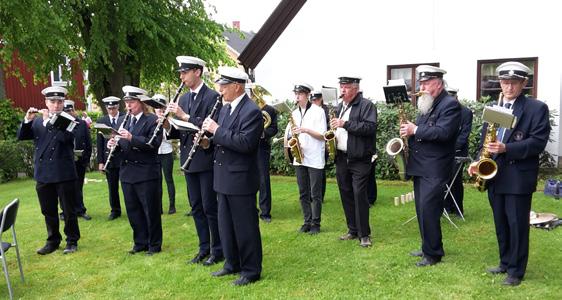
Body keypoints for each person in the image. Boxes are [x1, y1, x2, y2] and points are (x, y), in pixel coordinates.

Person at [468, 62, 550, 286]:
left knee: (517, 224)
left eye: (513, 83)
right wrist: (478, 161)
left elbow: (538, 143)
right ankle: (505, 262)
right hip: (495, 175)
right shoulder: (495, 107)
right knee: (501, 222)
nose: (508, 87)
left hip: (518, 176)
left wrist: (507, 148)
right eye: (504, 82)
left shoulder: (536, 108)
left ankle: (516, 270)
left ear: (524, 84)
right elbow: (487, 139)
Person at [202, 66, 263, 286]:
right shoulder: (225, 109)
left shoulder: (252, 111)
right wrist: (207, 141)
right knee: (225, 225)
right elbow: (222, 141)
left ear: (236, 86)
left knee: (245, 226)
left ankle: (251, 270)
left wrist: (216, 130)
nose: (220, 90)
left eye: (223, 86)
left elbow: (245, 143)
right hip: (223, 176)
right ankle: (231, 263)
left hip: (240, 179)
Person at [400, 65, 461, 266]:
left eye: (426, 83)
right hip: (421, 165)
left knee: (429, 209)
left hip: (435, 167)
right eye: (422, 83)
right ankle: (428, 246)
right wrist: (410, 131)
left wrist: (415, 129)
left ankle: (433, 253)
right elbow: (425, 130)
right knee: (421, 209)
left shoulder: (449, 105)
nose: (422, 87)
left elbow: (444, 133)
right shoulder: (428, 104)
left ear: (439, 83)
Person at [166, 56, 223, 266]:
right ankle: (203, 248)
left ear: (197, 72)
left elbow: (210, 126)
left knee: (210, 207)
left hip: (206, 158)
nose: (181, 76)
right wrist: (166, 124)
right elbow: (178, 132)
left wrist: (185, 116)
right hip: (188, 159)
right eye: (181, 73)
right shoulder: (183, 99)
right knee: (196, 207)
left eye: (184, 72)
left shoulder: (212, 97)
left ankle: (218, 250)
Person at [16, 86, 81, 254]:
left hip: (63, 172)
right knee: (48, 210)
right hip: (43, 172)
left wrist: (48, 122)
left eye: (60, 101)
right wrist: (28, 120)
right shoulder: (38, 120)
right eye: (52, 102)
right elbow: (22, 136)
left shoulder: (69, 120)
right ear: (46, 102)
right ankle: (52, 240)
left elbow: (64, 139)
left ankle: (72, 241)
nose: (56, 105)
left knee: (68, 210)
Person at [108, 85, 163, 255]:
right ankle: (140, 242)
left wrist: (132, 138)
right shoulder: (122, 120)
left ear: (141, 102)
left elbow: (153, 144)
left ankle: (154, 244)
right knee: (133, 210)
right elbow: (121, 145)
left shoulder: (153, 119)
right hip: (127, 173)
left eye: (132, 102)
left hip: (146, 172)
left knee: (150, 210)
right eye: (127, 102)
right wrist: (113, 145)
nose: (128, 106)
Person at [330, 76, 377, 247]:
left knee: (359, 195)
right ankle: (352, 230)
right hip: (342, 157)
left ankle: (364, 234)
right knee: (346, 194)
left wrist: (345, 124)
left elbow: (370, 128)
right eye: (341, 87)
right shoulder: (339, 106)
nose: (342, 90)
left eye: (346, 87)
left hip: (360, 158)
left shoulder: (366, 105)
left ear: (355, 88)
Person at [290, 83, 327, 234]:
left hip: (314, 155)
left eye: (300, 94)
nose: (297, 96)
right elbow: (292, 134)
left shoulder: (319, 112)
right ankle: (307, 221)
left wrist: (305, 130)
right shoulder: (294, 113)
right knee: (303, 192)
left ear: (307, 95)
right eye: (296, 94)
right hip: (300, 156)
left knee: (315, 193)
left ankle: (316, 223)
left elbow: (323, 135)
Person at [59, 100, 92, 221]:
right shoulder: (61, 123)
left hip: (79, 161)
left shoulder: (82, 123)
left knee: (78, 186)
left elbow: (88, 142)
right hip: (65, 161)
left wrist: (86, 159)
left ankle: (80, 210)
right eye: (66, 111)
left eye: (71, 110)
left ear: (74, 110)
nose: (69, 113)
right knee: (64, 188)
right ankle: (65, 211)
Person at [444, 87, 473, 216]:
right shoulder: (443, 110)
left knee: (455, 180)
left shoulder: (466, 112)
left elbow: (464, 135)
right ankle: (446, 207)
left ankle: (457, 209)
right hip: (443, 152)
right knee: (443, 179)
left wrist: (452, 148)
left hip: (458, 151)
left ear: (456, 98)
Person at [251, 86, 278, 223]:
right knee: (247, 179)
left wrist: (262, 133)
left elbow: (274, 128)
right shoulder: (247, 108)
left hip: (261, 148)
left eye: (255, 94)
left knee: (263, 180)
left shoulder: (270, 110)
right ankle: (251, 210)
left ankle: (265, 212)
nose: (254, 96)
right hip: (247, 147)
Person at [96, 96, 125, 220]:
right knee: (112, 187)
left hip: (123, 158)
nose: (111, 111)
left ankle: (132, 208)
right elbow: (99, 143)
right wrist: (101, 162)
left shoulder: (125, 118)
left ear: (118, 106)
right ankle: (115, 210)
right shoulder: (102, 120)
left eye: (113, 108)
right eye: (109, 109)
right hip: (110, 159)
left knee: (127, 186)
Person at [153, 94, 176, 215]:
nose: (158, 109)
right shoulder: (151, 119)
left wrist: (164, 125)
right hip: (156, 153)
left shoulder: (169, 120)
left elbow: (170, 137)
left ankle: (172, 206)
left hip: (166, 151)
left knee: (169, 179)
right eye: (156, 107)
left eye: (161, 107)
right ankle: (159, 207)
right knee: (157, 181)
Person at [310, 91, 330, 201]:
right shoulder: (310, 110)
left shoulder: (326, 110)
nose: (314, 102)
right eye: (313, 100)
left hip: (324, 142)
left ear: (321, 99)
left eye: (316, 100)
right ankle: (311, 195)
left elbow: (328, 126)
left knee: (321, 170)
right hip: (312, 143)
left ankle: (320, 195)